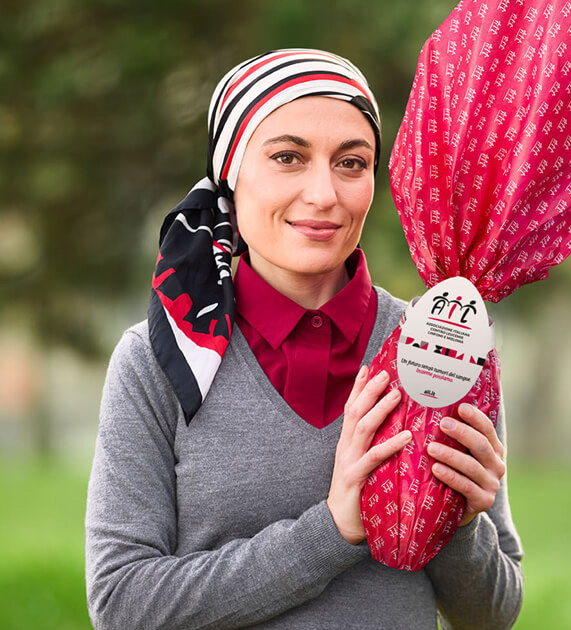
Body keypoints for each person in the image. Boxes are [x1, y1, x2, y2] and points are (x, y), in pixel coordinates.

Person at [84, 49, 523, 629]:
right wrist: (332, 530)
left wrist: (462, 526)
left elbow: (493, 614)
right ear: (231, 173)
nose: (323, 194)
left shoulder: (440, 345)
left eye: (351, 163)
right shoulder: (157, 359)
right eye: (288, 157)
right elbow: (121, 604)